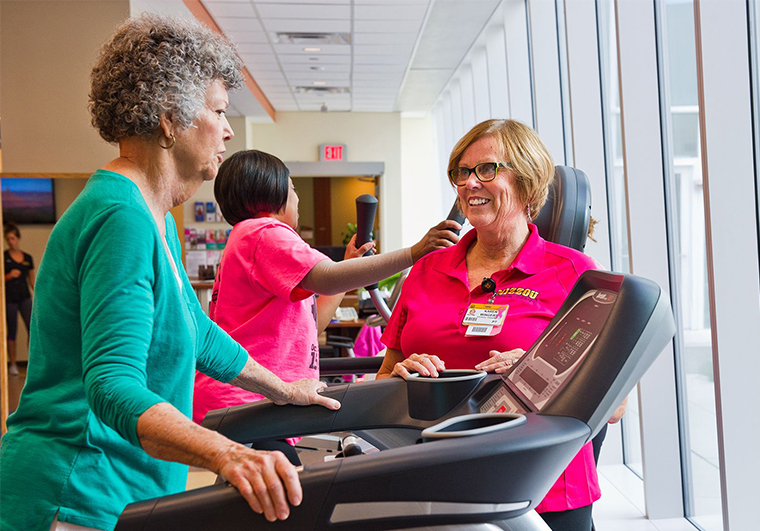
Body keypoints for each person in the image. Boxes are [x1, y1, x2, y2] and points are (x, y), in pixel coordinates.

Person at [0, 15, 341, 531]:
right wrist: (229, 454)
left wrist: (281, 389)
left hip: (121, 486)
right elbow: (112, 384)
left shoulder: (156, 218)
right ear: (169, 117)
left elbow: (196, 331)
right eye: (220, 111)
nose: (228, 129)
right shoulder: (121, 218)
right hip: (76, 487)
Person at [377, 118, 624, 531]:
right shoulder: (427, 270)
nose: (469, 183)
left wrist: (536, 370)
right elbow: (386, 373)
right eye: (461, 172)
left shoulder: (574, 274)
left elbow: (614, 406)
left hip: (544, 491)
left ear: (527, 182)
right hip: (439, 478)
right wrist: (400, 377)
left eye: (486, 170)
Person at [193, 149, 461, 463]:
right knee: (283, 497)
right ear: (273, 191)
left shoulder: (246, 240)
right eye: (292, 188)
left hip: (245, 402)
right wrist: (415, 252)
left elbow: (313, 323)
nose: (297, 198)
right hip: (249, 401)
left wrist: (349, 264)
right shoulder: (264, 233)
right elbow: (329, 278)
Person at [4, 222, 35, 376]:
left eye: (13, 238)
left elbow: (32, 281)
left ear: (18, 238)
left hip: (25, 299)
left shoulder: (28, 258)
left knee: (32, 329)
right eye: (8, 239)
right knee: (12, 330)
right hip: (10, 300)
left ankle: (32, 363)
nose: (10, 241)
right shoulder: (4, 257)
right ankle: (13, 365)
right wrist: (9, 276)